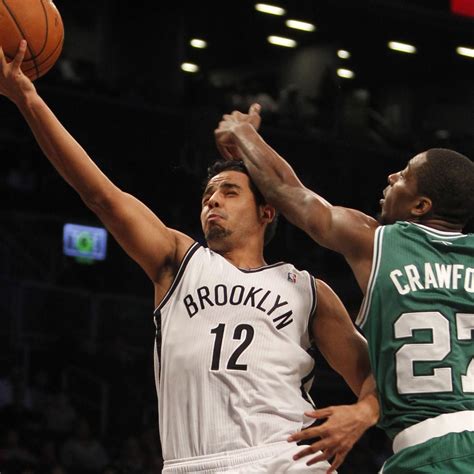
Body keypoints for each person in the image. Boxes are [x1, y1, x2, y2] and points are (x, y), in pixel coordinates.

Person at [0, 41, 378, 473]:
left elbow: (379, 374)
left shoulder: (308, 290)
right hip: (193, 463)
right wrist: (27, 97)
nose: (212, 201)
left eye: (229, 192)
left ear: (267, 212)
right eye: (207, 195)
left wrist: (362, 414)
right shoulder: (180, 259)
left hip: (284, 457)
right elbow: (101, 195)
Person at [214, 103, 474, 472]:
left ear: (420, 206)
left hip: (430, 450)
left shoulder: (377, 242)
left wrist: (243, 133)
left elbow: (289, 192)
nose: (391, 176)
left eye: (403, 176)